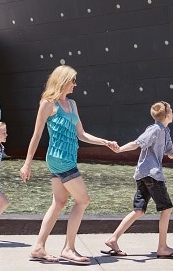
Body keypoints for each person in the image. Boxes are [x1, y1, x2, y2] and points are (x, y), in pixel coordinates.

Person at [19, 65, 119, 264]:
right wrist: (27, 163)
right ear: (63, 81)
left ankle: (39, 248)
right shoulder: (48, 104)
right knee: (83, 200)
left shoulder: (72, 104)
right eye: (72, 80)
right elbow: (37, 134)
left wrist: (104, 142)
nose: (75, 84)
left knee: (59, 203)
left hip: (69, 158)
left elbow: (81, 134)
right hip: (59, 159)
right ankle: (68, 248)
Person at [102, 101, 173, 259]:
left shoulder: (165, 131)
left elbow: (171, 153)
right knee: (166, 209)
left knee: (139, 210)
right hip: (152, 175)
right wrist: (120, 150)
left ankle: (113, 239)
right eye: (171, 110)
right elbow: (137, 143)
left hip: (143, 174)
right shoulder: (154, 129)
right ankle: (163, 248)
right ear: (166, 115)